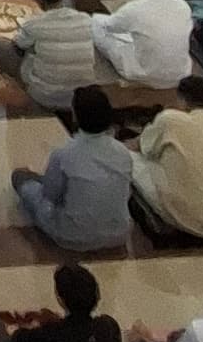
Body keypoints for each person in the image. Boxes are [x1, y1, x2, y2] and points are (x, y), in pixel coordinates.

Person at [10, 82, 135, 251]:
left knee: (21, 178)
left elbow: (50, 196)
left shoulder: (64, 153)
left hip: (72, 237)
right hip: (119, 235)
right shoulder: (123, 152)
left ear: (76, 116)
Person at [129, 79, 203, 246]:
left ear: (182, 100)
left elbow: (141, 147)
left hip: (187, 219)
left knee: (129, 158)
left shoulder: (170, 119)